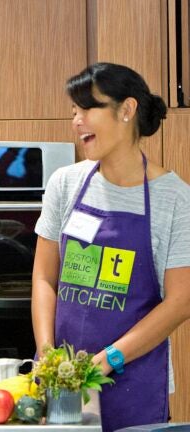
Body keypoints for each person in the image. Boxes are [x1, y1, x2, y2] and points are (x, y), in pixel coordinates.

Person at [32, 63, 190, 431]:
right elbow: (44, 277)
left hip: (134, 381)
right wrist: (47, 353)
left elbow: (181, 301)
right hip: (63, 386)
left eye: (88, 108)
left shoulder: (174, 199)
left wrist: (108, 360)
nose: (76, 121)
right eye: (73, 111)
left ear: (127, 109)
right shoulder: (65, 183)